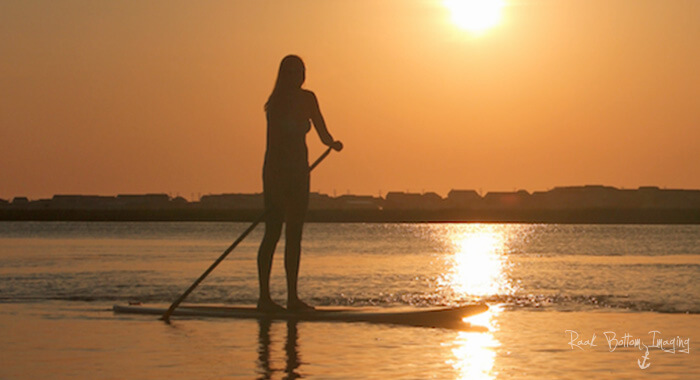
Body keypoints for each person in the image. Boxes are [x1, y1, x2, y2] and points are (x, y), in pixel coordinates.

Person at [257, 55, 343, 312]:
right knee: (273, 233)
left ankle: (292, 298)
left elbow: (321, 129)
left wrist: (331, 143)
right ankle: (264, 298)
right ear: (284, 74)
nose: (297, 76)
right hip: (276, 174)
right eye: (292, 71)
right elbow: (278, 139)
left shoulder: (309, 98)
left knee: (294, 235)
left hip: (300, 173)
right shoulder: (276, 103)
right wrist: (281, 180)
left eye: (300, 71)